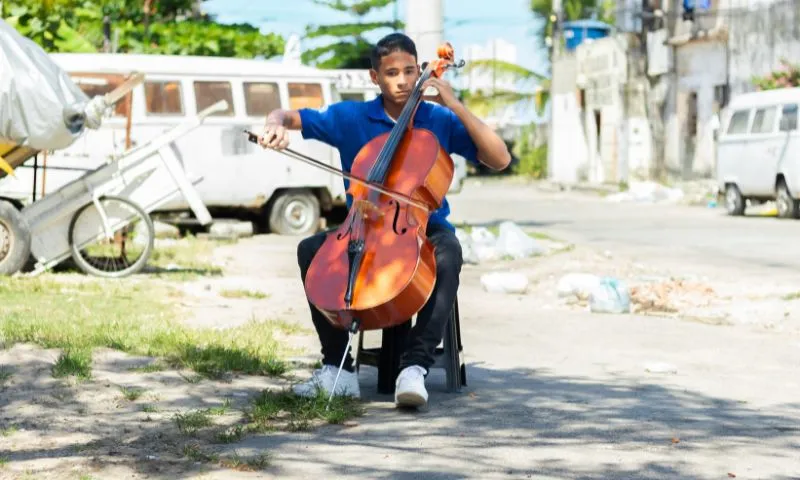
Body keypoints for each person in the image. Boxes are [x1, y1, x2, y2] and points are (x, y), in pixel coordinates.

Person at [259, 32, 511, 408]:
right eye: (392, 73)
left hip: (423, 224)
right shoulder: (350, 117)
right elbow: (287, 115)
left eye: (410, 71)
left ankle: (414, 367)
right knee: (311, 251)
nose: (403, 80)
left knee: (448, 255)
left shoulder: (437, 119)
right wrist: (274, 123)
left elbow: (499, 158)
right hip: (363, 225)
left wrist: (455, 104)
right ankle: (338, 370)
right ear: (374, 77)